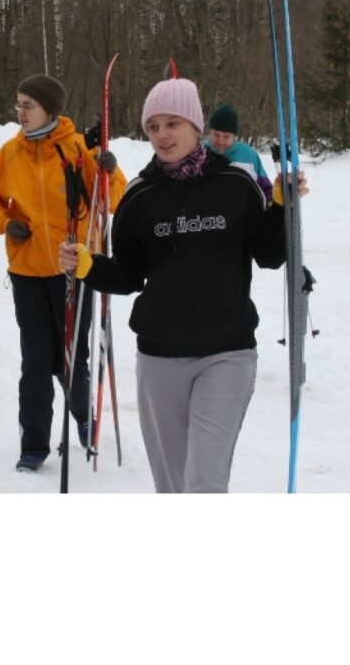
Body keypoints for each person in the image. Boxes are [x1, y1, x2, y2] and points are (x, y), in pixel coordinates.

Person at [59, 77, 308, 493]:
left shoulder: (237, 184)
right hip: (160, 357)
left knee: (204, 480)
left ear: (196, 126)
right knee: (173, 484)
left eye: (172, 123)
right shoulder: (139, 196)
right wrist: (88, 267)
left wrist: (282, 207)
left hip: (227, 352)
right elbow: (128, 275)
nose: (162, 134)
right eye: (153, 126)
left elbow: (269, 255)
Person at [0, 73, 126, 473]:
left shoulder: (77, 149)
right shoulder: (10, 153)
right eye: (18, 104)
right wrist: (6, 223)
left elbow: (114, 199)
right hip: (27, 272)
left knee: (71, 360)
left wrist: (110, 170)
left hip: (74, 270)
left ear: (50, 109)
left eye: (29, 105)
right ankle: (34, 444)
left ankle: (83, 416)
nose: (20, 112)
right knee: (36, 362)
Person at [205, 103, 273, 201]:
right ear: (210, 132)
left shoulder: (248, 155)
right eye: (216, 135)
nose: (220, 141)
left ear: (234, 136)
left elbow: (266, 190)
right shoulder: (200, 153)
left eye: (226, 136)